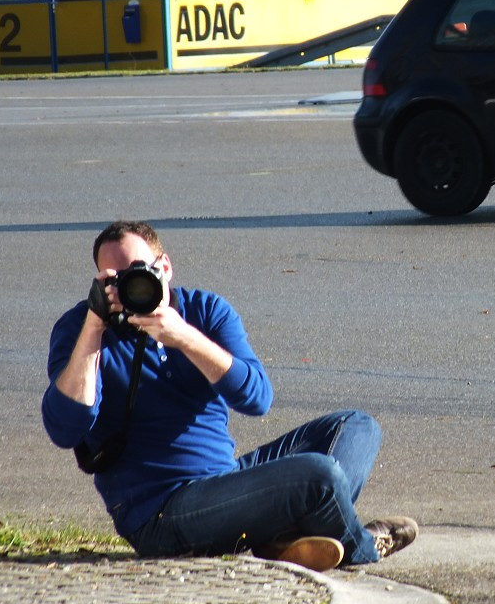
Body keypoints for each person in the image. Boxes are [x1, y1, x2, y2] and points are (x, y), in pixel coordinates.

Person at [42, 220, 417, 572]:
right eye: (117, 279)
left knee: (356, 427)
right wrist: (94, 327)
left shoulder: (205, 311)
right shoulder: (80, 328)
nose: (131, 286)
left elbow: (257, 399)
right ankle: (361, 548)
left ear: (165, 267)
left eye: (139, 270)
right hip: (161, 514)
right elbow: (64, 429)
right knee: (319, 477)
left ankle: (281, 537)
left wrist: (184, 337)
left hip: (225, 480)